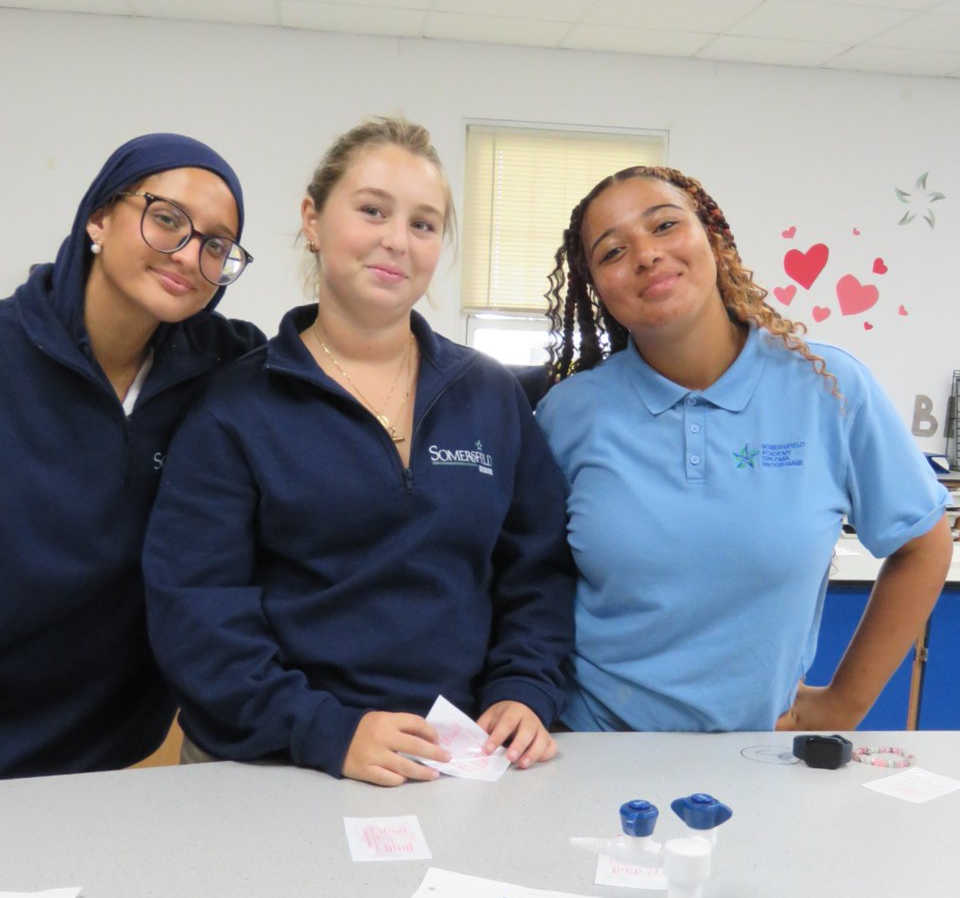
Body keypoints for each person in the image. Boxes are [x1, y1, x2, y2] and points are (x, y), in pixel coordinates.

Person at [143, 117, 574, 786]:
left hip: (456, 762)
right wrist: (324, 729)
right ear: (313, 220)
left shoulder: (488, 394)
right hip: (274, 761)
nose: (396, 241)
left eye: (424, 224)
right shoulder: (235, 406)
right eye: (372, 210)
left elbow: (537, 571)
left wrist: (525, 686)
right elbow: (198, 610)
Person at [536, 164, 952, 734]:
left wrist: (844, 704)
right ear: (597, 287)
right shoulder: (567, 413)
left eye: (664, 225)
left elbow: (923, 546)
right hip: (589, 746)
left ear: (713, 236)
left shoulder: (827, 386)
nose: (646, 254)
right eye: (612, 252)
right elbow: (525, 584)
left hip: (756, 758)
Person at [0, 134, 263, 778]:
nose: (188, 254)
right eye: (167, 218)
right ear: (98, 217)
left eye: (216, 244)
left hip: (127, 748)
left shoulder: (227, 366)